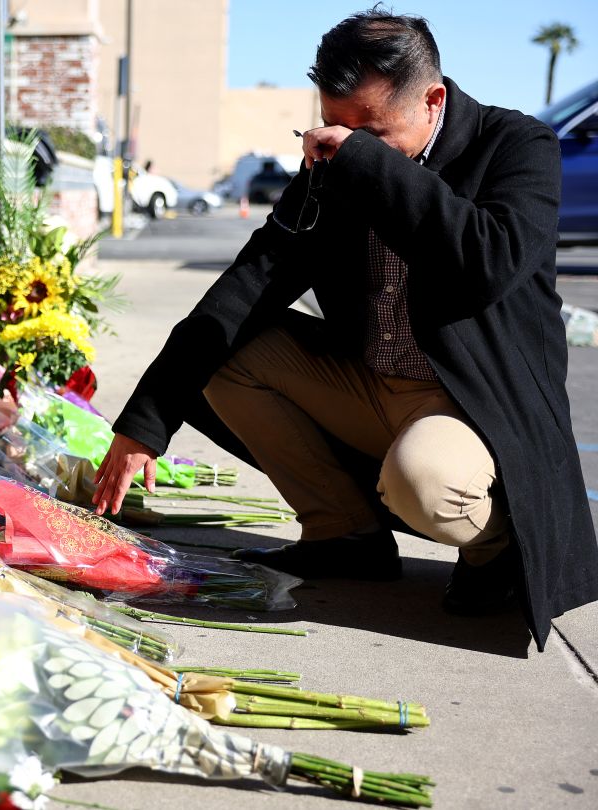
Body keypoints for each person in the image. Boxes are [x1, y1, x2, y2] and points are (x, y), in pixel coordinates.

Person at [92, 9, 598, 652]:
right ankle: (345, 534)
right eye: (335, 122)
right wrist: (144, 423)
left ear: (432, 100)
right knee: (229, 350)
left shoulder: (516, 145)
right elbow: (248, 285)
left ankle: (494, 550)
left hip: (472, 403)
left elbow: (487, 260)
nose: (342, 143)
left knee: (426, 482)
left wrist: (367, 163)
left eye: (370, 130)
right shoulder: (336, 165)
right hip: (366, 381)